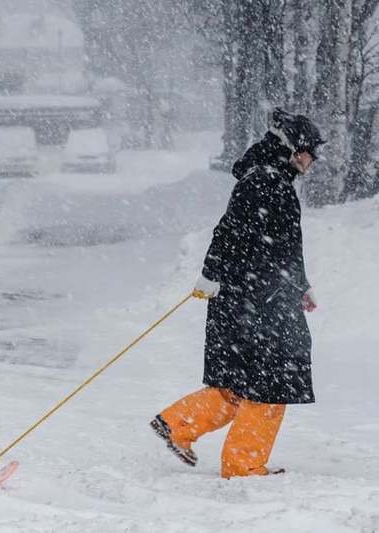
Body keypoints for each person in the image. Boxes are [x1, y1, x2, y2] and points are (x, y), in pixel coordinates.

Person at [151, 108, 325, 478]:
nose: (314, 158)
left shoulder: (269, 179)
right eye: (310, 149)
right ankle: (243, 464)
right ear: (292, 148)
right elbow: (229, 233)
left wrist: (300, 285)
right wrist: (211, 275)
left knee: (240, 384)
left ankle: (178, 424)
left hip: (254, 297)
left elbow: (281, 248)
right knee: (273, 381)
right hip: (257, 301)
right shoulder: (265, 181)